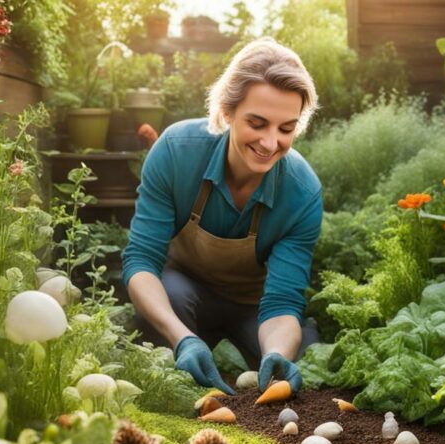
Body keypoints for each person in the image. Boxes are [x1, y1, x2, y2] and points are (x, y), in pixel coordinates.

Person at [121, 38, 322, 396]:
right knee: (169, 302)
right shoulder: (176, 152)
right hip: (185, 293)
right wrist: (181, 338)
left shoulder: (302, 192)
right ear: (228, 111)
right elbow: (141, 262)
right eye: (257, 123)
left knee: (296, 364)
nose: (270, 143)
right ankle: (187, 343)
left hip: (257, 308)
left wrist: (276, 352)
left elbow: (282, 302)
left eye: (286, 128)